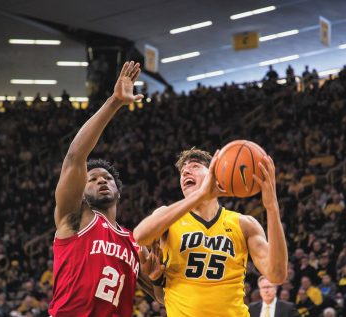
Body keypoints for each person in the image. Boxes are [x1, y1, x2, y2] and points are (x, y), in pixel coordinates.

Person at [48, 61, 158, 317]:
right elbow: (75, 157)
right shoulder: (75, 218)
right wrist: (115, 102)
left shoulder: (134, 241)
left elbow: (164, 297)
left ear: (118, 190)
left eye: (107, 178)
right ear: (81, 192)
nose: (100, 180)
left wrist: (158, 278)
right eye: (92, 178)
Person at [134, 148, 288, 316]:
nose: (185, 171)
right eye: (182, 170)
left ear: (215, 174)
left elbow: (277, 275)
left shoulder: (244, 224)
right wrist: (200, 194)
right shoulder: (168, 217)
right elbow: (141, 236)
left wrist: (272, 207)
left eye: (194, 166)